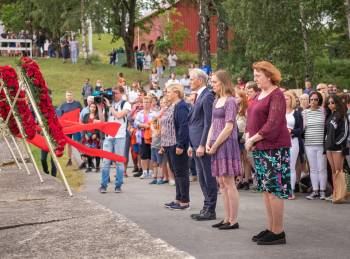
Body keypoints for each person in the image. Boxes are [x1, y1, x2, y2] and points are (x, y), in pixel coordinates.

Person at [246, 61, 291, 245]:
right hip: (261, 148)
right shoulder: (258, 95)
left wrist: (253, 138)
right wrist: (249, 135)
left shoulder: (277, 94)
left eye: (258, 75)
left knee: (275, 191)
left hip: (274, 148)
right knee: (266, 190)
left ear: (269, 75)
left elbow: (272, 124)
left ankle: (279, 232)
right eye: (255, 74)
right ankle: (271, 227)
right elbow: (251, 118)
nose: (255, 78)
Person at [206, 70, 241, 230]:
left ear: (223, 82)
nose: (212, 84)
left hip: (226, 143)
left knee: (228, 181)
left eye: (214, 82)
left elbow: (229, 127)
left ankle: (233, 220)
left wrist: (214, 145)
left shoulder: (231, 101)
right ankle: (226, 218)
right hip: (215, 142)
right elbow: (213, 123)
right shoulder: (216, 100)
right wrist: (208, 142)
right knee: (221, 182)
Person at [188, 68, 217, 221]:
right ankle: (206, 206)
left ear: (200, 80)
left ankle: (211, 209)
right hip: (195, 143)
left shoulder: (207, 96)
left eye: (191, 79)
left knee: (208, 177)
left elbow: (208, 122)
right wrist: (190, 145)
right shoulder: (199, 95)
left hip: (202, 143)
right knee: (201, 177)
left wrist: (201, 144)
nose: (189, 81)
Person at [162, 84, 190, 210]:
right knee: (175, 172)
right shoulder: (172, 105)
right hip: (168, 143)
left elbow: (184, 126)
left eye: (168, 92)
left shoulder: (181, 106)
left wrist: (180, 144)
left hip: (176, 143)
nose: (166, 94)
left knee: (181, 172)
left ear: (176, 93)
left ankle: (184, 201)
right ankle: (178, 198)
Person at [99, 86, 131, 193]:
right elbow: (103, 120)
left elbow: (119, 115)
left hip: (120, 136)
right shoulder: (109, 104)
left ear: (122, 93)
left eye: (116, 93)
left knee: (119, 162)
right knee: (105, 162)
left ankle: (118, 185)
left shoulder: (125, 104)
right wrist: (100, 108)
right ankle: (103, 185)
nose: (114, 95)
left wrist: (109, 106)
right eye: (113, 93)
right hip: (108, 136)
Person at [303, 91, 328, 200]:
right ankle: (315, 190)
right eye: (311, 99)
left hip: (321, 144)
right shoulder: (305, 113)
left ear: (319, 101)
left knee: (322, 168)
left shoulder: (323, 111)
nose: (313, 101)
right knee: (313, 169)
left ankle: (322, 191)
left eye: (316, 99)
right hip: (309, 144)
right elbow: (303, 128)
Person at [324, 94, 349, 202]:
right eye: (328, 103)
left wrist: (337, 143)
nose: (330, 105)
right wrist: (326, 144)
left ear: (337, 103)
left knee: (339, 171)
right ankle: (335, 193)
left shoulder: (342, 115)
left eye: (332, 102)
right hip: (329, 147)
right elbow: (327, 133)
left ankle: (341, 195)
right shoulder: (329, 115)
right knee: (333, 171)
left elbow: (345, 132)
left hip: (338, 147)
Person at [284, 91, 303, 200]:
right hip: (280, 142)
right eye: (284, 99)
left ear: (291, 100)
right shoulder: (279, 112)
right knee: (281, 166)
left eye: (287, 99)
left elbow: (300, 130)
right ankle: (282, 189)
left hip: (293, 142)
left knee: (290, 166)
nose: (285, 100)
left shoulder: (297, 113)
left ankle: (290, 191)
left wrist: (291, 131)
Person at [57, 91, 82, 166]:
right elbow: (59, 117)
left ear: (73, 96)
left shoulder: (77, 104)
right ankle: (69, 160)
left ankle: (82, 158)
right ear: (65, 96)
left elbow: (82, 113)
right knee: (69, 144)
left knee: (78, 142)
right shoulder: (63, 105)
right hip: (67, 128)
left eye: (70, 95)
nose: (69, 96)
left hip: (76, 126)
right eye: (67, 95)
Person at [134, 96, 156, 179]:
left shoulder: (154, 113)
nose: (146, 104)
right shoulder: (139, 113)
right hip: (142, 137)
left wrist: (148, 126)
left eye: (147, 102)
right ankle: (144, 172)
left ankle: (150, 172)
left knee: (151, 154)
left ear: (151, 104)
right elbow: (135, 123)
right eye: (144, 102)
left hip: (151, 137)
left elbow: (156, 124)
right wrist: (143, 125)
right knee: (143, 154)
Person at [82, 103, 102, 172]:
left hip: (95, 137)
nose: (92, 108)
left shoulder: (98, 116)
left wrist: (96, 134)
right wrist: (85, 134)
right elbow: (83, 126)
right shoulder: (85, 116)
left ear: (96, 108)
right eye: (91, 107)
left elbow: (100, 127)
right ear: (89, 108)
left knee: (96, 152)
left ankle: (97, 167)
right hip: (87, 136)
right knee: (88, 152)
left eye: (94, 107)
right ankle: (89, 166)